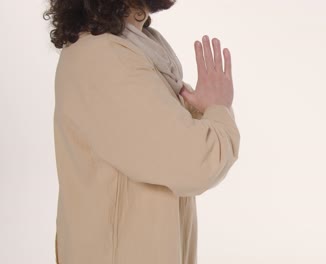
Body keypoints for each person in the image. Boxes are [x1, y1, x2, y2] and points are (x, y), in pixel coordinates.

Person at [43, 0, 240, 263]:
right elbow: (196, 162)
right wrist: (218, 108)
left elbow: (163, 137)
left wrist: (204, 110)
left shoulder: (132, 50)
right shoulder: (106, 59)